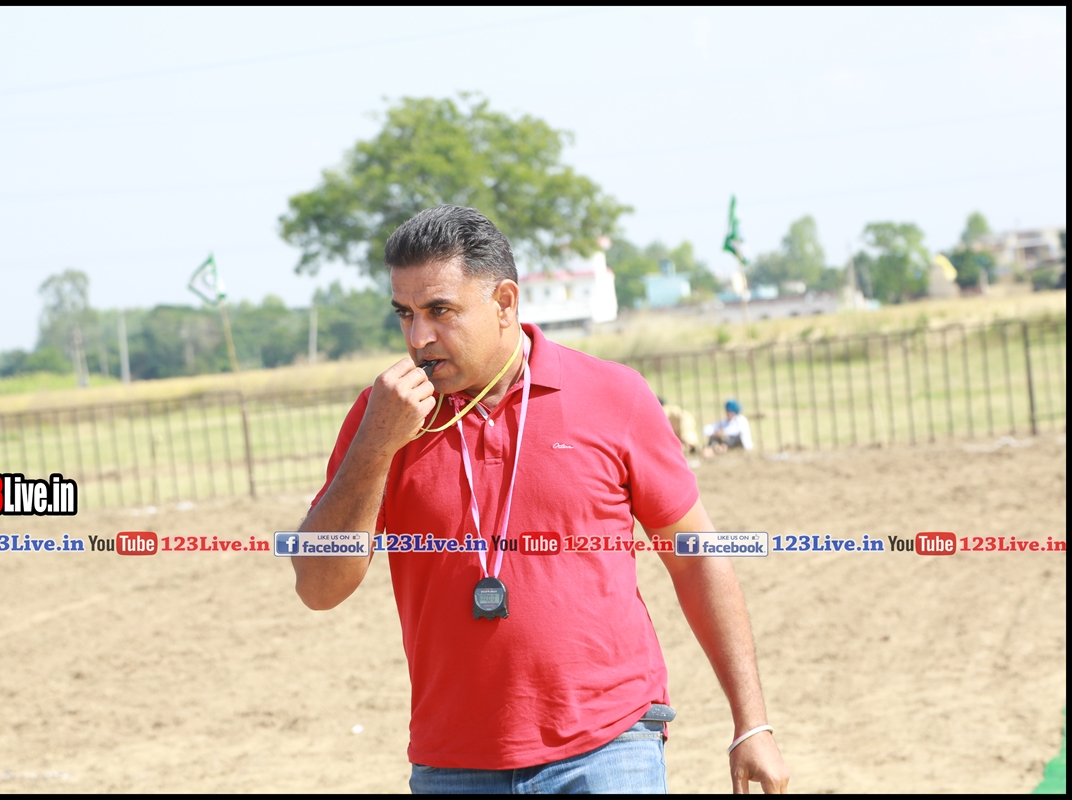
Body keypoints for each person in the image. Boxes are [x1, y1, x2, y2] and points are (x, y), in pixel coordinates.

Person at [292, 205, 788, 794]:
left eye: (440, 311)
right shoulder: (383, 414)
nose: (418, 337)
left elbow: (697, 558)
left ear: (505, 301)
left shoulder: (614, 394)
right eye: (405, 313)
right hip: (452, 765)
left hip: (609, 749)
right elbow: (319, 587)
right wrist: (375, 444)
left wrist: (751, 723)